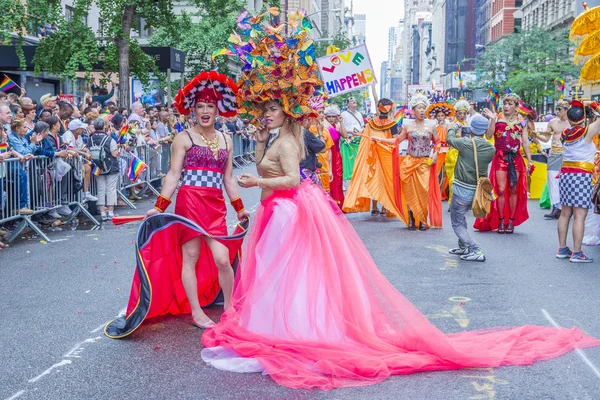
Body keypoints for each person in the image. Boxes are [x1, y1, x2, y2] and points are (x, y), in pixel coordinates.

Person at [199, 9, 600, 390]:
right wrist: (257, 148)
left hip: (286, 213)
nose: (266, 114)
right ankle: (276, 325)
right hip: (278, 211)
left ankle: (289, 329)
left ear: (286, 112)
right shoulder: (272, 137)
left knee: (288, 276)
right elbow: (271, 169)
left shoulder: (289, 141)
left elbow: (289, 177)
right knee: (278, 274)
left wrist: (253, 182)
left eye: (272, 109)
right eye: (263, 109)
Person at [143, 71, 249, 328]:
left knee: (223, 259)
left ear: (217, 110)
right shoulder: (184, 138)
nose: (205, 111)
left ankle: (228, 306)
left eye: (210, 106)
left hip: (215, 204)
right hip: (189, 202)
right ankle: (196, 312)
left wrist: (240, 208)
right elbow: (173, 174)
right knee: (190, 257)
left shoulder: (226, 139)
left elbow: (228, 179)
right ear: (193, 110)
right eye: (200, 106)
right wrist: (159, 207)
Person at [475, 92, 532, 233]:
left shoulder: (522, 122)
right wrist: (492, 120)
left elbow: (525, 142)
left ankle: (511, 222)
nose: (506, 106)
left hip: (516, 158)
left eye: (510, 104)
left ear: (516, 106)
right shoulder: (497, 118)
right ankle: (500, 221)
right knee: (500, 190)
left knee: (513, 189)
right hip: (500, 157)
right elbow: (488, 136)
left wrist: (529, 161)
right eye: (505, 103)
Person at [447, 114, 496, 261]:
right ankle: (463, 246)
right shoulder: (491, 148)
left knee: (457, 222)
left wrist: (455, 126)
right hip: (476, 191)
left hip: (461, 189)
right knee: (461, 217)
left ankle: (476, 249)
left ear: (472, 129)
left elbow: (449, 139)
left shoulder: (465, 143)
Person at [556, 100, 600, 262]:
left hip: (566, 176)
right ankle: (577, 252)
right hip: (581, 176)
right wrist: (591, 103)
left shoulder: (565, 133)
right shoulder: (587, 132)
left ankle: (562, 248)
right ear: (583, 119)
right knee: (580, 215)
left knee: (565, 213)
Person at [343, 99, 400, 218]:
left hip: (374, 155)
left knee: (374, 177)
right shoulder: (391, 124)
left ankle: (375, 206)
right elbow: (395, 140)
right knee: (385, 179)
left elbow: (366, 139)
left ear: (379, 109)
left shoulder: (371, 123)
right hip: (385, 154)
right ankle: (384, 206)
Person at [396, 93, 442, 230]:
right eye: (419, 108)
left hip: (424, 163)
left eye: (424, 108)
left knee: (423, 191)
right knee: (410, 191)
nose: (422, 110)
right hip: (409, 163)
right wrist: (378, 140)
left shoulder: (431, 126)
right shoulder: (407, 126)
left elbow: (438, 142)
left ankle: (422, 219)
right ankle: (411, 219)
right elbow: (397, 141)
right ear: (414, 110)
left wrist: (435, 154)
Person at [537, 99, 570, 219]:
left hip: (568, 154)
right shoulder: (552, 122)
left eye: (559, 109)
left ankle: (565, 207)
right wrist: (535, 135)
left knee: (566, 180)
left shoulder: (572, 123)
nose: (557, 112)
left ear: (566, 110)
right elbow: (546, 138)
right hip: (554, 153)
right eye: (556, 109)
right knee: (552, 179)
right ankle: (556, 207)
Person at [89, 118, 119, 220]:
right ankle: (110, 212)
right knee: (111, 189)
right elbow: (114, 153)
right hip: (110, 166)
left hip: (97, 167)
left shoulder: (90, 139)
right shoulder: (110, 139)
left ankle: (102, 213)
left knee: (100, 189)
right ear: (104, 127)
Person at [426, 96, 455, 201]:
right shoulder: (433, 126)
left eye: (442, 115)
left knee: (445, 174)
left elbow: (451, 137)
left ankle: (441, 193)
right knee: (435, 172)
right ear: (436, 117)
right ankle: (433, 192)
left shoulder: (448, 126)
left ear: (445, 116)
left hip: (447, 151)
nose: (440, 117)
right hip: (437, 151)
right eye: (438, 116)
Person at [63, 119, 98, 202]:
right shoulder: (67, 135)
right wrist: (84, 153)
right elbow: (70, 148)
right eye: (81, 128)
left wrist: (87, 151)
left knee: (88, 168)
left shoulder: (78, 136)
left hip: (77, 162)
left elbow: (82, 146)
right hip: (69, 162)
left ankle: (86, 192)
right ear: (76, 129)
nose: (83, 130)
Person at [321, 105, 347, 208]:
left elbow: (344, 135)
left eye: (333, 116)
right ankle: (329, 204)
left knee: (338, 179)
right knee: (328, 178)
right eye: (329, 116)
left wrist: (341, 122)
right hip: (326, 154)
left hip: (336, 155)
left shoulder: (337, 126)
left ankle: (339, 204)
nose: (331, 119)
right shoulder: (323, 126)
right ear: (326, 117)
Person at [446, 99, 470, 203]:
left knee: (464, 179)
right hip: (453, 154)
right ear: (456, 113)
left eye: (464, 113)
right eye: (460, 113)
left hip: (465, 154)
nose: (462, 115)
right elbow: (448, 139)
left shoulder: (468, 125)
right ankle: (453, 201)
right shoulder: (451, 125)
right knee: (453, 178)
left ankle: (463, 201)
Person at [340, 97, 364, 188]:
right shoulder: (343, 114)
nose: (354, 101)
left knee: (357, 160)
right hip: (348, 141)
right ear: (347, 104)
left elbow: (362, 126)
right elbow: (341, 128)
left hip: (358, 140)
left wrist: (361, 131)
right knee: (347, 161)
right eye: (351, 100)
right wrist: (350, 131)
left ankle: (358, 179)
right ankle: (347, 182)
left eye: (355, 100)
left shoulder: (359, 114)